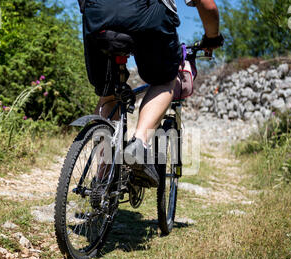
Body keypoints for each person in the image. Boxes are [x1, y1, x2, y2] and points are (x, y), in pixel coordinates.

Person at [79, 0, 223, 187]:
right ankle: (139, 143)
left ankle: (103, 177)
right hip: (148, 15)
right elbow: (208, 5)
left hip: (97, 13)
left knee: (109, 93)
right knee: (164, 80)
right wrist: (212, 38)